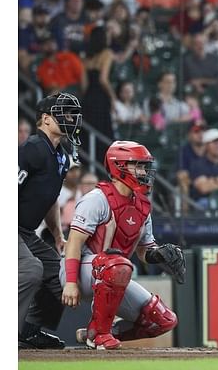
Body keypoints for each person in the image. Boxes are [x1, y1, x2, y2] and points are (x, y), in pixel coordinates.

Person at [60, 141, 185, 350]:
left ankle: (95, 330)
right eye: (138, 165)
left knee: (163, 320)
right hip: (78, 268)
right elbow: (73, 242)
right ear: (119, 166)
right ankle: (100, 335)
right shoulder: (97, 199)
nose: (144, 171)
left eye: (145, 166)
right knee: (118, 264)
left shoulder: (142, 205)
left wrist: (161, 254)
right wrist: (71, 282)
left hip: (114, 272)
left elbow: (144, 252)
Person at [18, 92, 82, 349]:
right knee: (31, 269)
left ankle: (29, 331)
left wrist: (57, 236)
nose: (70, 119)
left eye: (71, 114)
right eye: (64, 114)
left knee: (61, 274)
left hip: (25, 232)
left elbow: (50, 197)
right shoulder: (33, 147)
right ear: (45, 119)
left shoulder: (62, 154)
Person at [80, 26, 116, 160]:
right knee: (103, 134)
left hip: (88, 99)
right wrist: (113, 98)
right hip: (101, 98)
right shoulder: (107, 53)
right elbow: (103, 79)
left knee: (88, 137)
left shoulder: (86, 58)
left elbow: (84, 85)